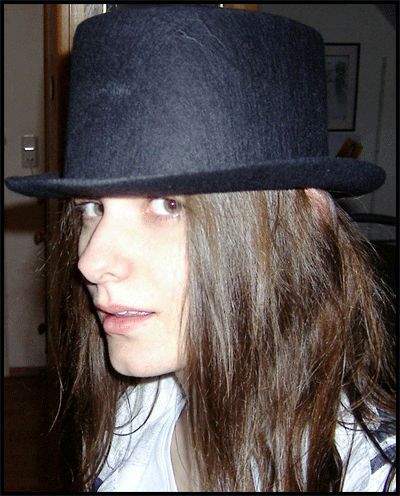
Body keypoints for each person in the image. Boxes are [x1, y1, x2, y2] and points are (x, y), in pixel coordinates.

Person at [6, 5, 396, 493]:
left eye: (167, 205)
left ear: (301, 223)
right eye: (91, 208)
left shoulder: (370, 477)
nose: (91, 263)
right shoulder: (133, 417)